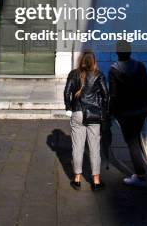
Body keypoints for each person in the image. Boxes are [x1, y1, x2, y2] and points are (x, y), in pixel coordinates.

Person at [109, 40, 147, 187]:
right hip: (142, 110)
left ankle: (140, 176)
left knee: (133, 144)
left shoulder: (114, 70)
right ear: (130, 52)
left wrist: (111, 112)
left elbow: (114, 95)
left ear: (117, 52)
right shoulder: (140, 66)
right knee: (146, 139)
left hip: (126, 113)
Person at [64, 51, 109, 191]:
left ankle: (77, 178)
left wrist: (68, 108)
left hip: (77, 112)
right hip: (94, 115)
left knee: (77, 147)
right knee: (94, 147)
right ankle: (96, 180)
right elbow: (106, 95)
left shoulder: (73, 74)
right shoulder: (99, 75)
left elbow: (66, 92)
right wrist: (104, 111)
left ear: (81, 60)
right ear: (94, 61)